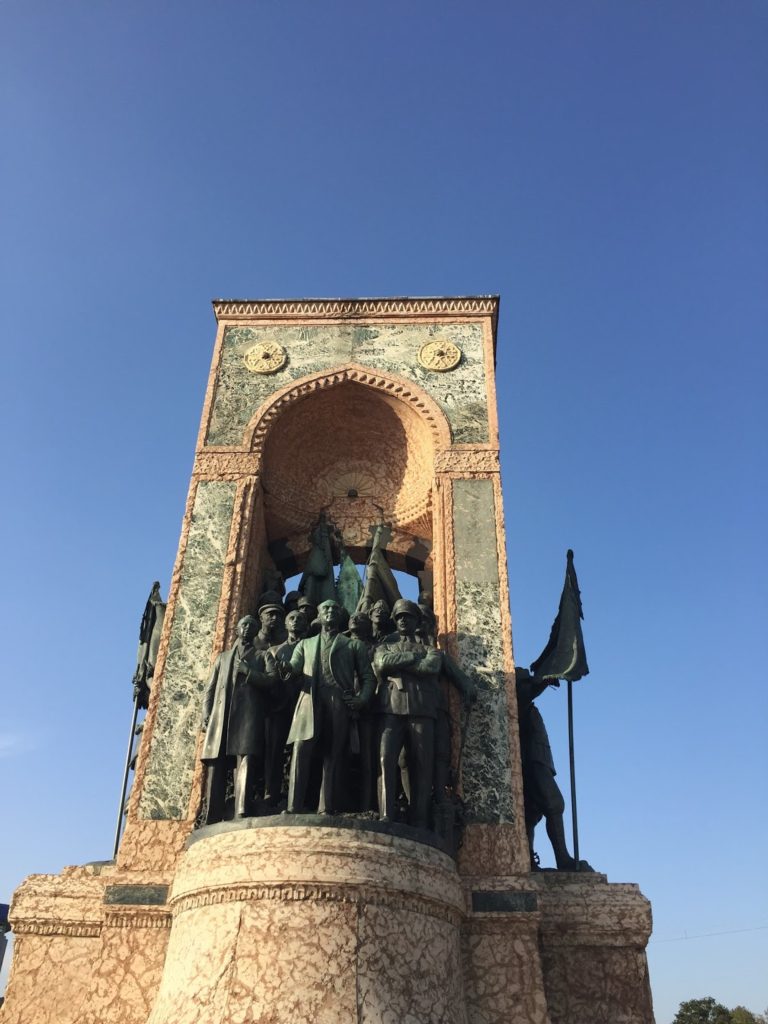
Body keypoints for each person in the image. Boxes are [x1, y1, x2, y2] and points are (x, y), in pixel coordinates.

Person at [283, 600, 376, 815]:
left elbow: (368, 677)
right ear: (319, 613)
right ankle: (293, 806)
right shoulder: (305, 644)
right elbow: (294, 668)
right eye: (326, 608)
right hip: (309, 701)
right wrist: (284, 668)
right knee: (300, 750)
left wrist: (361, 699)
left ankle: (326, 807)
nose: (330, 611)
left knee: (332, 754)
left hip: (338, 702)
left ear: (341, 615)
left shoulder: (353, 645)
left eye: (335, 608)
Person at [200, 616, 278, 823]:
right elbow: (210, 689)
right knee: (216, 764)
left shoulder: (263, 655)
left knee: (245, 759)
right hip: (222, 715)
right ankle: (212, 815)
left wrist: (249, 672)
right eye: (244, 625)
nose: (248, 628)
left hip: (247, 716)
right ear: (237, 629)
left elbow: (272, 680)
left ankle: (241, 811)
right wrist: (206, 714)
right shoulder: (223, 658)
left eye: (252, 626)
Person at [374, 599, 443, 829]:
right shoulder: (385, 646)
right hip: (390, 710)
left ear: (417, 621)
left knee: (422, 767)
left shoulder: (431, 650)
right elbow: (381, 663)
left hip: (422, 711)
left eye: (408, 616)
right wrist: (413, 658)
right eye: (399, 617)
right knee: (385, 760)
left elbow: (430, 667)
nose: (403, 620)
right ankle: (386, 814)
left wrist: (398, 663)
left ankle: (419, 820)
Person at [515, 667, 591, 871]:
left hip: (538, 760)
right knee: (554, 803)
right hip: (532, 761)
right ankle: (562, 859)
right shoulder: (518, 703)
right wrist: (546, 678)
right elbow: (526, 692)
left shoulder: (529, 710)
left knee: (532, 813)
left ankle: (529, 859)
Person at [264, 610, 309, 807]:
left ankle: (300, 797)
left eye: (300, 619)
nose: (296, 621)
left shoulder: (310, 647)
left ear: (307, 625)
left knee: (302, 752)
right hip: (278, 708)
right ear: (285, 624)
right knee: (274, 751)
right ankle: (270, 793)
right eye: (292, 618)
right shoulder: (274, 651)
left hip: (304, 706)